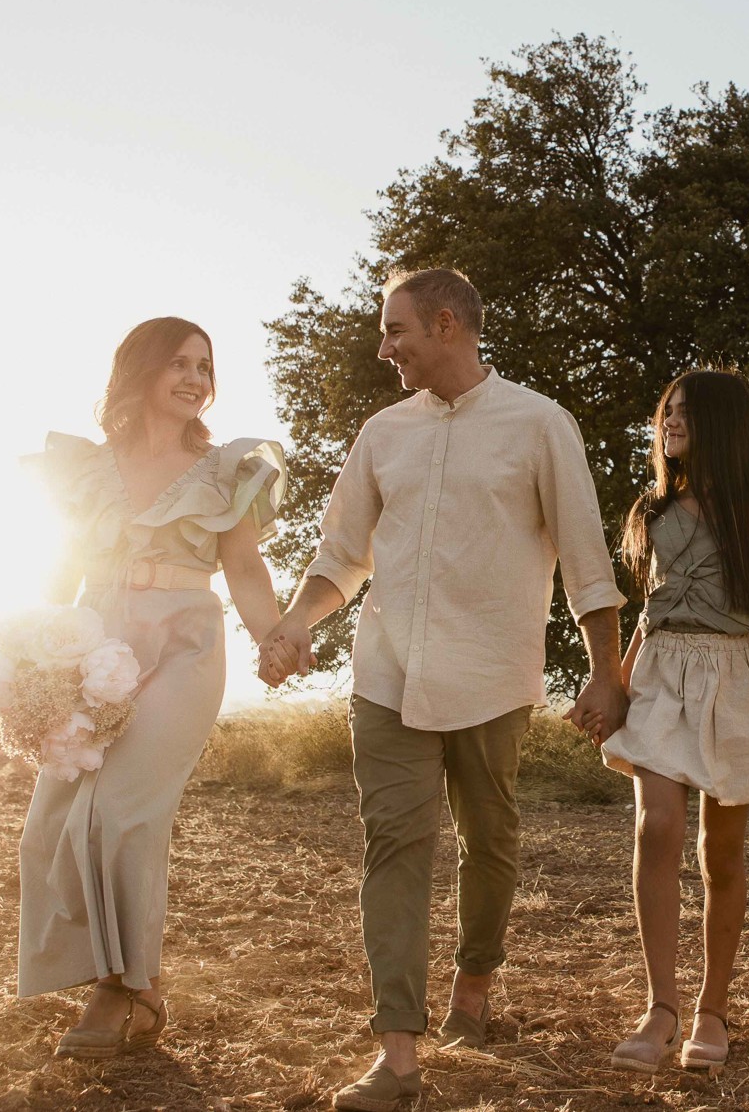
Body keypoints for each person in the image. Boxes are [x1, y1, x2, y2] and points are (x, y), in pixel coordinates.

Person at [256, 267, 627, 1112]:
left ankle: (474, 987)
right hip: (386, 670)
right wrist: (297, 619)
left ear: (447, 323)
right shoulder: (382, 433)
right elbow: (342, 554)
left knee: (489, 836)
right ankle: (397, 1052)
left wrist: (606, 672)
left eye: (397, 332)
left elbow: (585, 557)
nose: (385, 348)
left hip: (492, 676)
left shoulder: (540, 424)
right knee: (395, 842)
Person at [18, 316, 288, 1059]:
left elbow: (243, 567)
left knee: (123, 807)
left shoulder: (227, 468)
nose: (197, 377)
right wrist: (32, 651)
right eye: (179, 362)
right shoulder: (87, 468)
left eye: (205, 364)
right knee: (51, 823)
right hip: (92, 641)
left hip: (185, 644)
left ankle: (124, 989)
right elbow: (61, 567)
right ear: (140, 373)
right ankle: (123, 981)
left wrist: (272, 635)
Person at [599, 370, 749, 1075]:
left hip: (730, 678)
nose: (671, 421)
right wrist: (614, 685)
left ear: (723, 424)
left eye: (686, 411)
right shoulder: (653, 511)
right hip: (662, 674)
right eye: (666, 411)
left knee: (721, 851)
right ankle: (661, 1006)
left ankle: (712, 1007)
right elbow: (652, 608)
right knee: (656, 824)